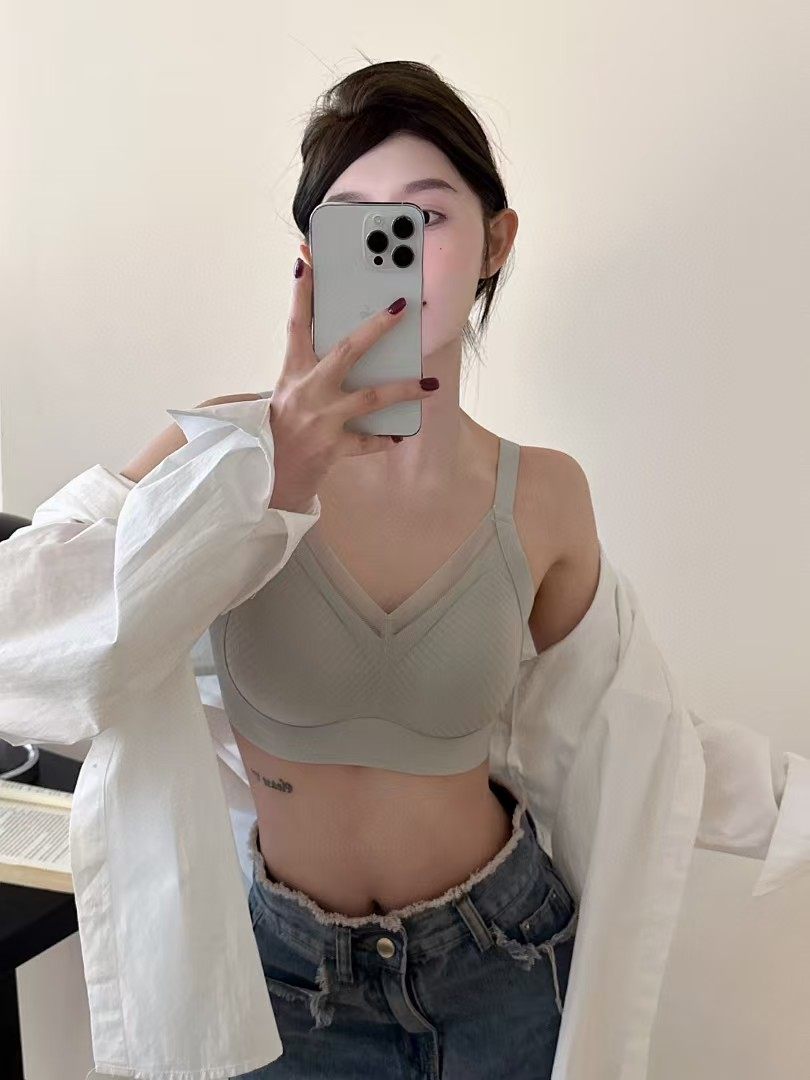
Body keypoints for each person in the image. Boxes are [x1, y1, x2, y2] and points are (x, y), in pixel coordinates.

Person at [118, 60, 595, 1078]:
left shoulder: (545, 496)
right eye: (356, 224)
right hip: (283, 984)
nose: (395, 250)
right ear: (310, 259)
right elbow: (51, 626)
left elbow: (612, 734)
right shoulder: (213, 455)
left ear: (496, 241)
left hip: (503, 962)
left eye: (427, 216)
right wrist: (266, 480)